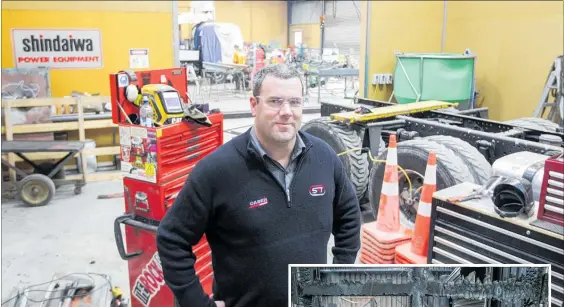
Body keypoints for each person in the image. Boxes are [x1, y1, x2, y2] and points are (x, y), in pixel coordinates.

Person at [156, 64, 361, 307]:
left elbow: (349, 215)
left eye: (294, 102)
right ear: (254, 105)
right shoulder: (217, 170)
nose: (286, 111)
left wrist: (337, 280)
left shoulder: (324, 158)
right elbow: (172, 239)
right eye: (275, 101)